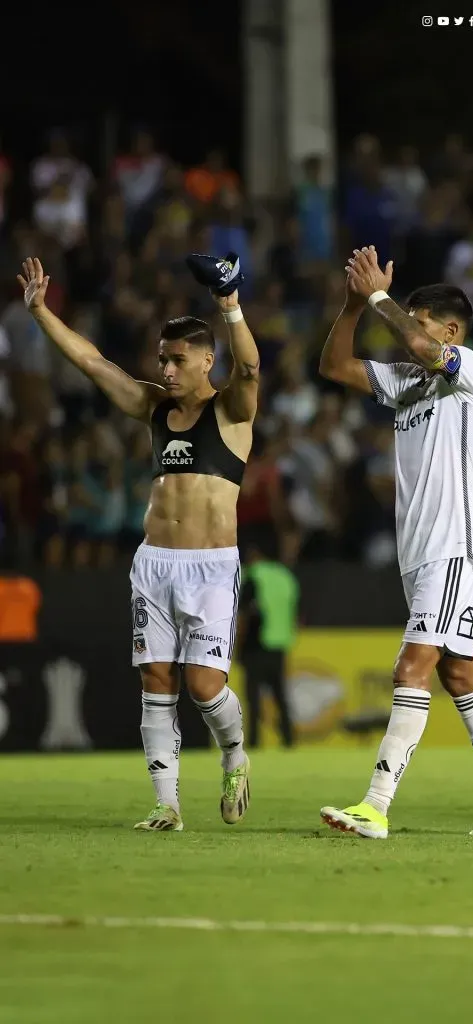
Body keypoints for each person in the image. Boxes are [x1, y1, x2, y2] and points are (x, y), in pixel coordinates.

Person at [18, 256, 257, 832]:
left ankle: (234, 752)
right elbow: (92, 362)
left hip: (210, 567)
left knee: (204, 689)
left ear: (206, 360)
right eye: (162, 359)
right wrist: (41, 312)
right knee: (156, 679)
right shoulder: (153, 408)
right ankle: (166, 804)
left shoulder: (230, 410)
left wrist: (230, 305)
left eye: (178, 360)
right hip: (154, 564)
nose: (167, 369)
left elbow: (249, 368)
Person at [317, 245, 473, 839]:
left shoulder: (469, 371)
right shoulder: (407, 384)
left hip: (452, 542)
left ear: (449, 330)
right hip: (417, 551)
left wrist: (377, 298)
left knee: (411, 666)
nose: (407, 331)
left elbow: (420, 347)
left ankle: (376, 804)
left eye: (419, 321)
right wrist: (350, 307)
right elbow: (336, 367)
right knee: (459, 672)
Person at [237, 542, 299, 748]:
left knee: (253, 698)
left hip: (256, 644)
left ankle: (254, 742)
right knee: (280, 696)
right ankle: (289, 740)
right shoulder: (285, 577)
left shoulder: (253, 576)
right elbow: (295, 611)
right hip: (280, 643)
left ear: (255, 554)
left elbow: (245, 613)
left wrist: (238, 644)